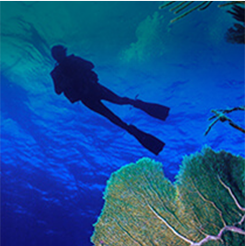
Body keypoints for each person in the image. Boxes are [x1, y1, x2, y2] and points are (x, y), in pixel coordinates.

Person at [50, 45, 170, 155]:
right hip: (86, 97)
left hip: (93, 88)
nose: (62, 55)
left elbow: (90, 65)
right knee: (111, 115)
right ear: (57, 56)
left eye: (62, 52)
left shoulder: (73, 60)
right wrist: (66, 81)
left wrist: (77, 69)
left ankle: (139, 106)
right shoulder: (56, 73)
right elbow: (58, 91)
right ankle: (134, 131)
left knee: (120, 101)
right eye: (60, 53)